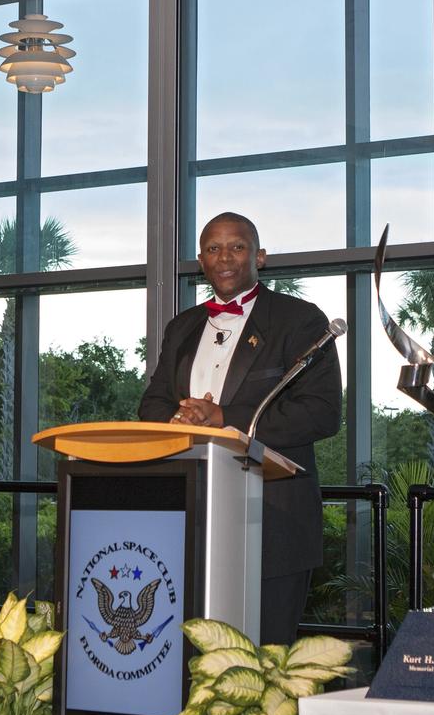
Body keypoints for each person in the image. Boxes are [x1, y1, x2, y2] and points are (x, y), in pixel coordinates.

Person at [138, 212, 342, 645]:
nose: (224, 257)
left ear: (260, 256)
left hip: (272, 522)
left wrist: (224, 419)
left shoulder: (299, 320)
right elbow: (152, 402)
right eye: (213, 248)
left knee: (264, 666)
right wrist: (182, 420)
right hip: (187, 520)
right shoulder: (182, 327)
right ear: (200, 260)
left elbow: (323, 412)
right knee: (191, 661)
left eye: (237, 246)